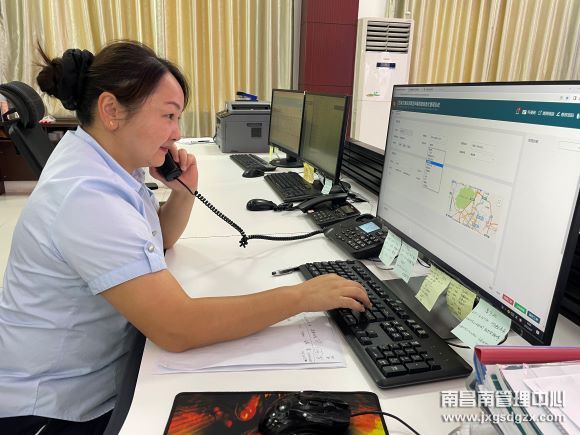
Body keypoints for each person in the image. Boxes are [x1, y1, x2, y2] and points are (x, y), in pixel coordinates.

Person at [0, 40, 371, 434]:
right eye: (168, 115)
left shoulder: (108, 165)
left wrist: (183, 193)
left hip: (88, 378)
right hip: (52, 410)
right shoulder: (87, 195)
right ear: (111, 110)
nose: (177, 132)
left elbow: (156, 240)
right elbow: (176, 328)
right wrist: (302, 297)